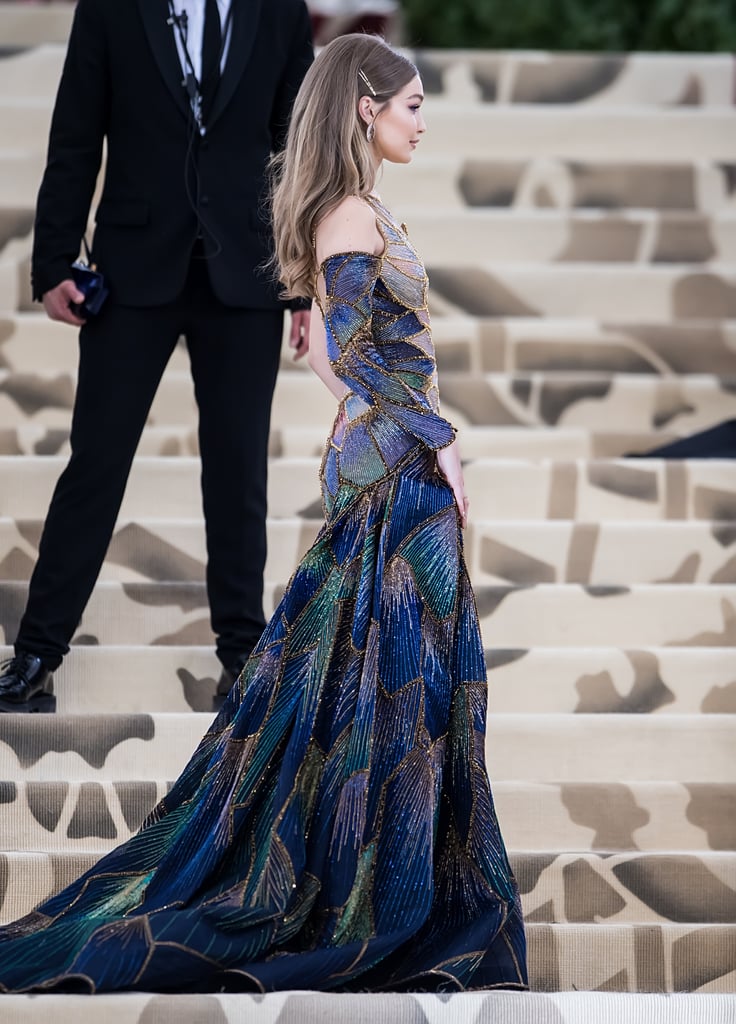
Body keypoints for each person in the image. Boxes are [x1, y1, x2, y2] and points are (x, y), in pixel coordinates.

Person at [0, 33, 527, 993]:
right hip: (388, 465)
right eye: (411, 104)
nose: (422, 120)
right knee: (389, 686)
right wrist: (436, 433)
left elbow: (333, 355)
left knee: (389, 680)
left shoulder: (353, 207)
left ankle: (386, 883)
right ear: (366, 107)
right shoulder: (348, 217)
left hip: (381, 457)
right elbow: (356, 359)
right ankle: (373, 896)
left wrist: (397, 426)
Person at [0, 0, 314, 713]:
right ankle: (37, 653)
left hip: (246, 273)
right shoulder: (112, 6)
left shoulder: (279, 9)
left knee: (238, 471)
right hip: (134, 269)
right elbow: (76, 133)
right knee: (97, 463)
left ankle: (242, 655)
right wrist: (53, 260)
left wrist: (302, 282)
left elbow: (295, 149)